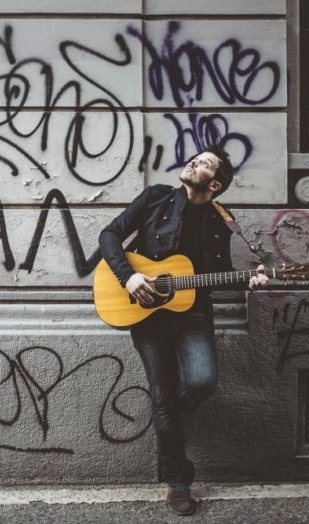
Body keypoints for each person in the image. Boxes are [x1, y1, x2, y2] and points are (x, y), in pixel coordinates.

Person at [98, 145, 269, 516]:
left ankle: (169, 410)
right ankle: (178, 483)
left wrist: (248, 281)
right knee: (162, 396)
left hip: (192, 314)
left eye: (205, 162)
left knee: (201, 382)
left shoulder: (222, 220)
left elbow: (216, 274)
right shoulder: (156, 197)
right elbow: (109, 235)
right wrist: (128, 279)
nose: (194, 161)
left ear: (216, 184)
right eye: (196, 157)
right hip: (145, 314)